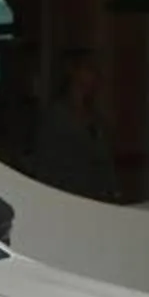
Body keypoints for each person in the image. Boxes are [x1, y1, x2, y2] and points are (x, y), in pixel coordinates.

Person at [30, 49, 118, 201]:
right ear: (73, 72)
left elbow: (104, 161)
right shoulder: (57, 116)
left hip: (97, 199)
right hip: (66, 198)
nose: (96, 76)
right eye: (90, 69)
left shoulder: (96, 117)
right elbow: (46, 165)